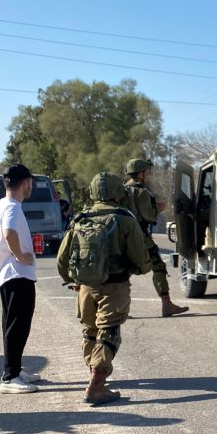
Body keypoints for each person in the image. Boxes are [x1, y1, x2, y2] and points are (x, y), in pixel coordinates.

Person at [57, 172, 150, 405]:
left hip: (85, 288)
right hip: (114, 285)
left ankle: (95, 375)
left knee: (90, 331)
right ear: (118, 192)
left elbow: (62, 258)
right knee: (109, 333)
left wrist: (75, 279)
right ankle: (96, 386)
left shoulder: (80, 218)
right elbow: (140, 257)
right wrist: (143, 268)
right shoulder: (125, 219)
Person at [0, 163, 40, 394]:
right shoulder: (12, 208)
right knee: (17, 326)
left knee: (14, 324)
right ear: (25, 183)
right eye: (30, 182)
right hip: (16, 274)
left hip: (9, 275)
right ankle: (9, 378)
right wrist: (23, 256)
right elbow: (9, 233)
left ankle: (15, 370)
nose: (31, 186)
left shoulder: (2, 204)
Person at [123, 157, 189, 317]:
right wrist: (161, 207)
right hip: (141, 238)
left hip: (125, 237)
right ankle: (167, 305)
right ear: (140, 174)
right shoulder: (141, 191)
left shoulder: (123, 190)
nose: (147, 175)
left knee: (124, 272)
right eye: (145, 172)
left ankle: (120, 309)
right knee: (158, 267)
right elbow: (149, 215)